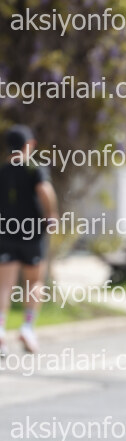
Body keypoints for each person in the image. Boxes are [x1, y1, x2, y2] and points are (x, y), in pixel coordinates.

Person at [0, 125, 58, 355]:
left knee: (4, 285)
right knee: (34, 281)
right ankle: (27, 327)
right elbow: (45, 190)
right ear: (29, 145)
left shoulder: (3, 171)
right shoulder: (34, 168)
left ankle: (0, 330)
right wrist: (51, 215)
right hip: (32, 234)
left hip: (5, 234)